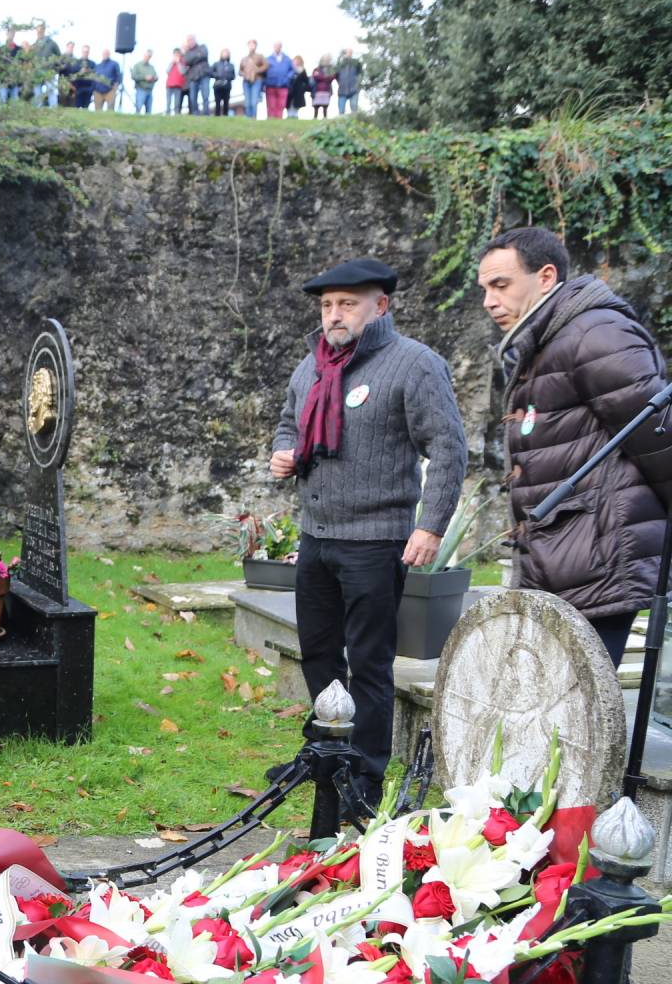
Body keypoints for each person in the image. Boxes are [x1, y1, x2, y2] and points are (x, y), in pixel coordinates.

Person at [270, 258, 466, 806]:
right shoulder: (311, 366)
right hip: (316, 536)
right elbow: (290, 421)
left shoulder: (415, 364)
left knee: (370, 665)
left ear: (380, 306)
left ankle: (365, 776)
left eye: (347, 303)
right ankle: (327, 752)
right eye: (328, 304)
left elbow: (448, 449)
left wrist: (429, 527)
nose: (335, 314)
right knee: (318, 655)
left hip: (377, 542)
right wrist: (283, 452)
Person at [478, 228, 672, 666]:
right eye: (485, 288)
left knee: (582, 718)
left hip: (599, 561)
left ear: (546, 277)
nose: (489, 300)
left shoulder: (595, 335)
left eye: (501, 285)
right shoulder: (547, 340)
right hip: (564, 560)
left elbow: (660, 442)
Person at [264, 40, 293, 120]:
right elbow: (264, 72)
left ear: (281, 47)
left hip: (283, 85)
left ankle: (279, 120)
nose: (277, 48)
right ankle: (271, 120)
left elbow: (292, 70)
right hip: (270, 85)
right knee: (271, 105)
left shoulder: (287, 59)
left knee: (281, 105)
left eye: (278, 46)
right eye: (275, 46)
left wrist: (287, 78)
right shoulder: (268, 59)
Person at [181, 35, 208, 116]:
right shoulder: (187, 53)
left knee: (205, 96)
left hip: (204, 75)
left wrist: (193, 59)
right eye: (188, 40)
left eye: (191, 39)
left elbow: (204, 54)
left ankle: (206, 113)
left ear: (195, 40)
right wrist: (197, 55)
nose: (190, 41)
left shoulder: (202, 47)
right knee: (193, 97)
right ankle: (195, 114)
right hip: (193, 77)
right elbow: (186, 61)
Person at [239, 40, 266, 119]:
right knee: (247, 101)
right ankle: (248, 117)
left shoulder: (260, 56)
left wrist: (257, 70)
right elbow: (240, 70)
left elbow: (266, 66)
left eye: (253, 44)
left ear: (256, 46)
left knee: (254, 101)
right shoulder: (244, 59)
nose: (251, 46)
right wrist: (244, 74)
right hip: (246, 81)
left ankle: (253, 117)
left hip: (256, 80)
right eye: (250, 44)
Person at [129, 49, 157, 115]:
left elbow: (155, 75)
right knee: (138, 109)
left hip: (150, 90)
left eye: (150, 56)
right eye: (148, 56)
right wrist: (144, 77)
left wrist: (154, 78)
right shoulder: (137, 65)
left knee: (149, 111)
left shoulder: (151, 67)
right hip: (141, 90)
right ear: (144, 55)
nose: (148, 57)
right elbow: (133, 76)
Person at [211, 48, 236, 117]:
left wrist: (227, 77)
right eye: (224, 53)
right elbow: (211, 73)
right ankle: (217, 116)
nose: (225, 55)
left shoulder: (231, 65)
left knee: (226, 102)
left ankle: (225, 116)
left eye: (226, 53)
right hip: (217, 86)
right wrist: (218, 76)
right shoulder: (216, 64)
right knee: (217, 102)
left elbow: (234, 76)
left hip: (227, 86)